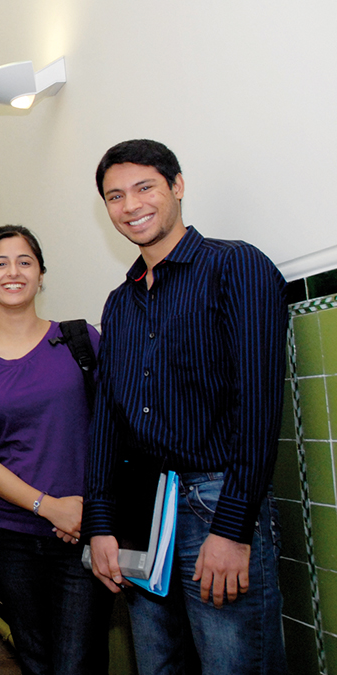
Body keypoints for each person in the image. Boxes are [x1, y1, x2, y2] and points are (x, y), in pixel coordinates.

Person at [83, 139, 289, 674]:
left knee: (233, 664)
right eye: (115, 196)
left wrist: (233, 528)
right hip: (142, 507)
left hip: (216, 502)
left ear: (177, 186)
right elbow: (108, 419)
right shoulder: (120, 302)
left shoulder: (235, 265)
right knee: (158, 664)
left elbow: (259, 406)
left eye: (144, 188)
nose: (130, 205)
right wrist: (100, 523)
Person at [0, 225, 112, 675]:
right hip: (13, 536)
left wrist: (88, 511)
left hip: (83, 529)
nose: (13, 272)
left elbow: (111, 429)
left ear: (41, 274)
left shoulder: (80, 341)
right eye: (0, 263)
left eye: (25, 262)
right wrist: (47, 507)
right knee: (35, 660)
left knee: (78, 662)